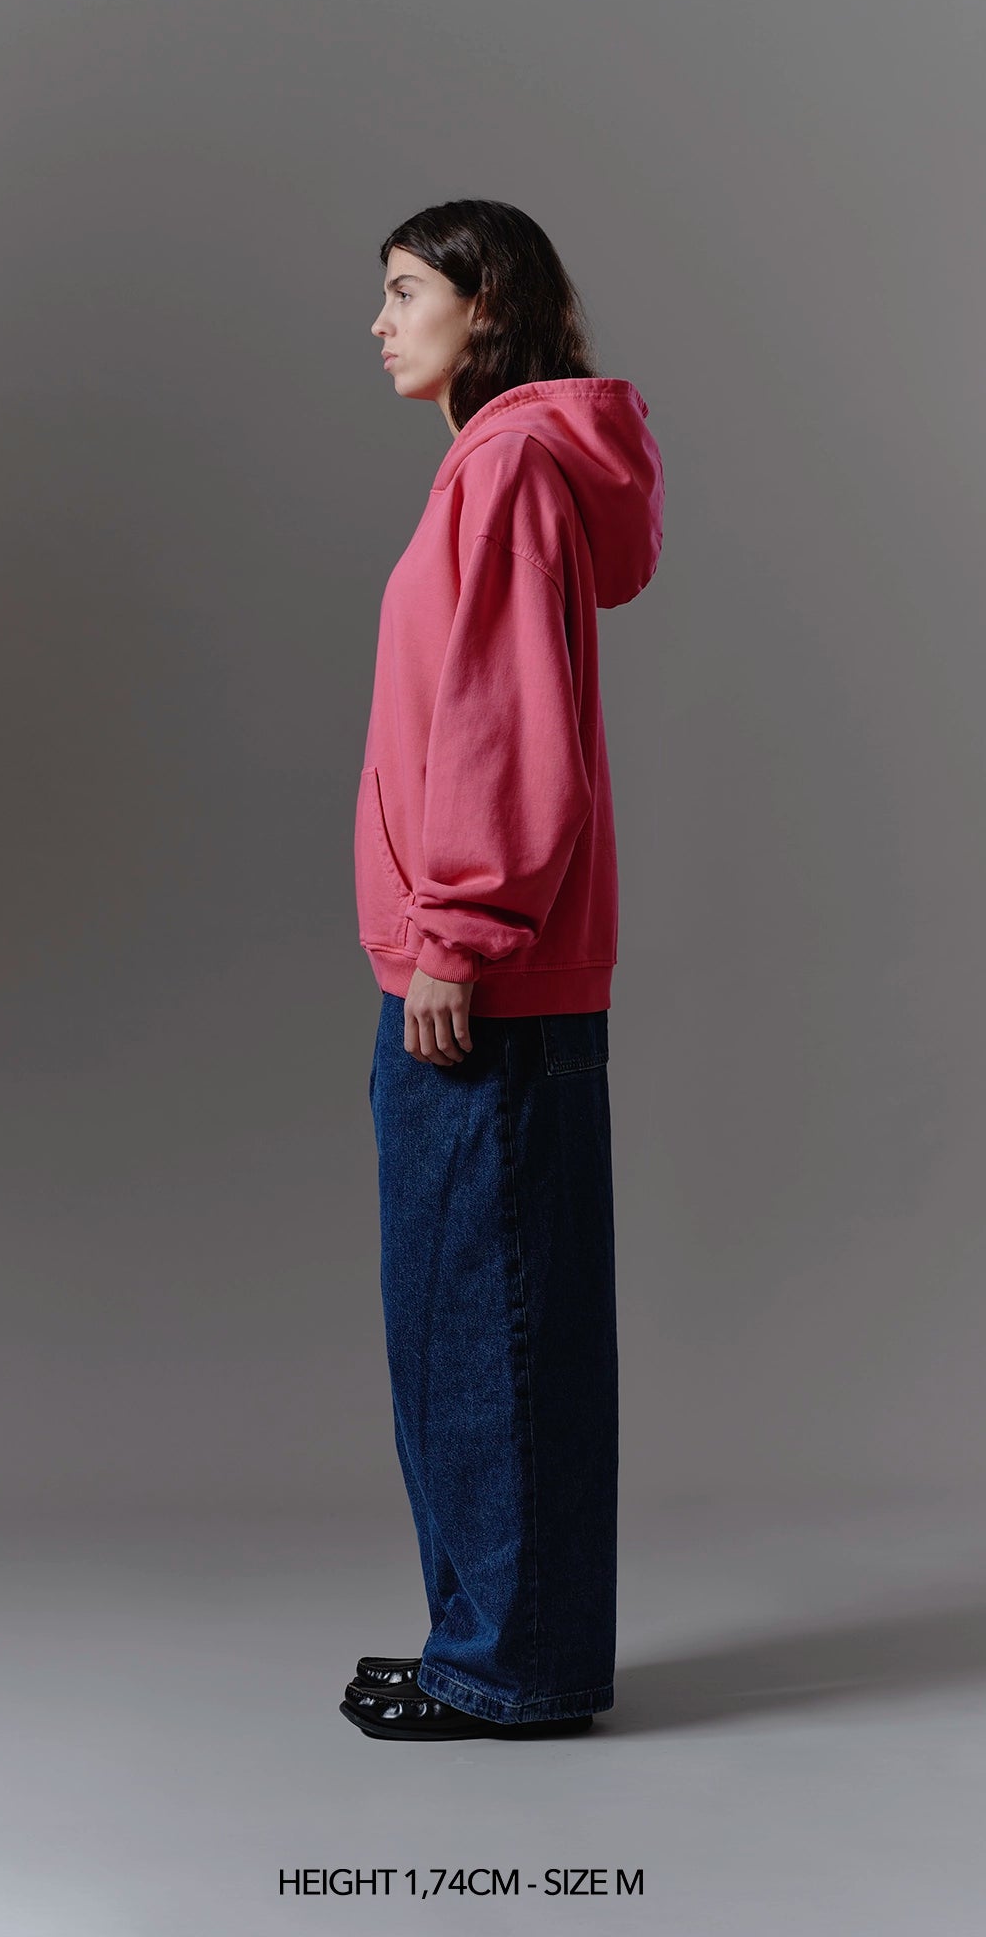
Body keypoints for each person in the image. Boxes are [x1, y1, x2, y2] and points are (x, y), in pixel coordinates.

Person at [339, 199, 665, 1742]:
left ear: (487, 304)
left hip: (479, 972)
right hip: (462, 964)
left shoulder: (510, 464)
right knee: (463, 1324)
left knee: (494, 1330)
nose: (382, 321)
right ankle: (481, 1640)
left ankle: (512, 1669)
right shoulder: (498, 462)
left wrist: (455, 935)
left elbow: (497, 719)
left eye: (408, 291)